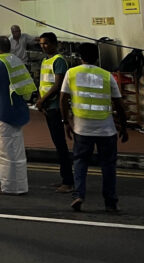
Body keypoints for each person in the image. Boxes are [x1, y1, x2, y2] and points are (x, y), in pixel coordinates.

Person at [60, 41, 128, 213]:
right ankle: (110, 202)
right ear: (97, 58)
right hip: (106, 129)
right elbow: (119, 104)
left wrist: (66, 121)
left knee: (80, 162)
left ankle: (78, 195)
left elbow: (63, 100)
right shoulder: (107, 75)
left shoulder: (71, 73)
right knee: (108, 165)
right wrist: (124, 126)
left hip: (82, 129)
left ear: (79, 57)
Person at [0, 36, 36, 194]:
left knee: (5, 153)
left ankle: (9, 187)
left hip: (4, 112)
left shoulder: (0, 65)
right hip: (18, 110)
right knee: (17, 152)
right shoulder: (16, 61)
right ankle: (21, 186)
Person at [36, 31, 73, 192]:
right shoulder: (45, 60)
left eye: (46, 43)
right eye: (41, 44)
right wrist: (41, 100)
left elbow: (58, 85)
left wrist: (42, 100)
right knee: (57, 144)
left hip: (55, 107)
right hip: (47, 107)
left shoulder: (59, 61)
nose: (43, 46)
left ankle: (68, 181)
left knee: (61, 145)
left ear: (54, 44)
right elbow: (43, 83)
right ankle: (65, 178)